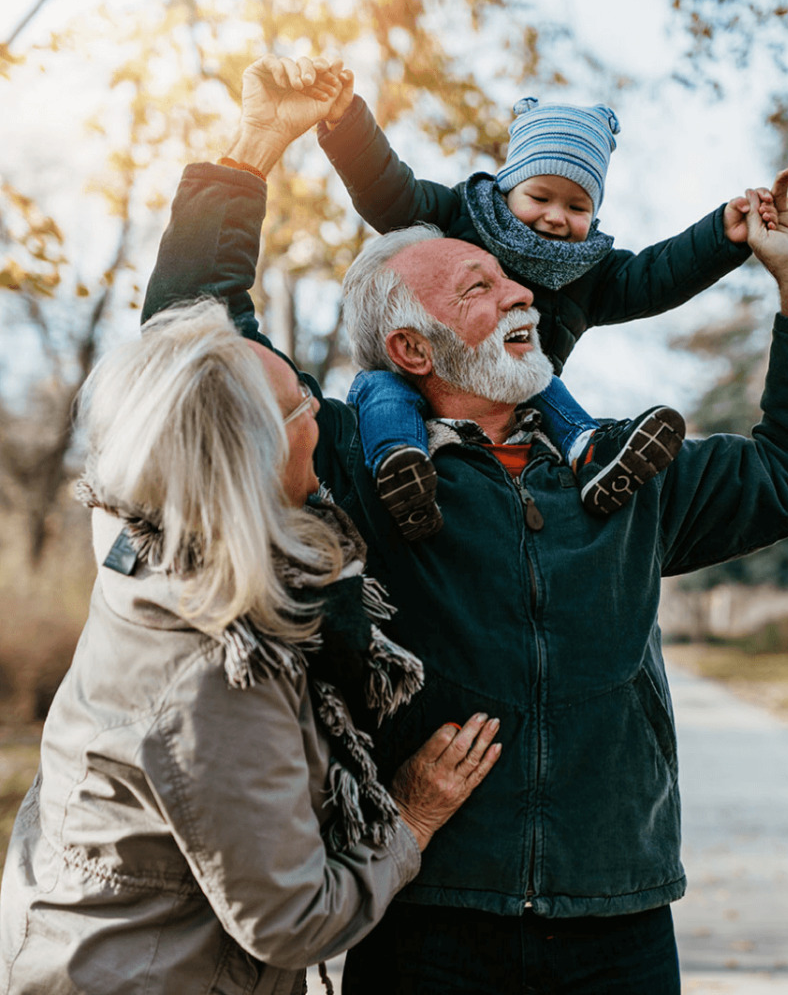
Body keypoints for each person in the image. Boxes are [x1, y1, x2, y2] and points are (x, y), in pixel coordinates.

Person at [141, 55, 788, 994]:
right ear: (411, 347)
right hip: (429, 911)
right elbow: (195, 343)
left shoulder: (621, 468)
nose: (527, 292)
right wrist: (252, 148)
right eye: (479, 287)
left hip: (619, 910)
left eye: (515, 285)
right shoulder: (353, 463)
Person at [0, 299, 501, 995]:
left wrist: (226, 188)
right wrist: (410, 819)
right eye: (302, 406)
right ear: (251, 457)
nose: (322, 416)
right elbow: (294, 920)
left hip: (79, 949)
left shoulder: (143, 534)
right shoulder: (219, 665)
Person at [314, 61, 776, 538]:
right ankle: (399, 465)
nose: (557, 217)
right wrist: (345, 123)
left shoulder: (590, 272)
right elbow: (389, 192)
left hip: (515, 400)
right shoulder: (462, 218)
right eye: (540, 196)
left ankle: (593, 455)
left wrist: (723, 235)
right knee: (378, 387)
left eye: (577, 207)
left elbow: (658, 275)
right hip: (425, 374)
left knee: (540, 376)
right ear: (509, 185)